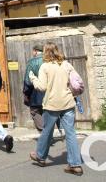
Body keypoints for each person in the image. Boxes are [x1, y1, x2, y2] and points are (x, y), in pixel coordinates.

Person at [28, 42, 84, 176]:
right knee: (70, 133)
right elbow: (77, 81)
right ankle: (75, 165)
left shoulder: (45, 67)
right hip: (68, 103)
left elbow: (41, 87)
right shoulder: (67, 64)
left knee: (47, 131)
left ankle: (40, 156)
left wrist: (33, 78)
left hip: (52, 104)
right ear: (57, 51)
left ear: (45, 52)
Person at [24, 44, 62, 135]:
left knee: (35, 112)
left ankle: (44, 133)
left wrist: (26, 93)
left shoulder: (31, 62)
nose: (33, 53)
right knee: (49, 112)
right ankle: (52, 132)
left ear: (36, 51)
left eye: (33, 51)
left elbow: (28, 81)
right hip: (50, 93)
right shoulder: (51, 61)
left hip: (36, 94)